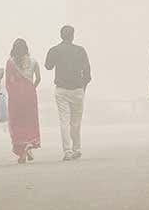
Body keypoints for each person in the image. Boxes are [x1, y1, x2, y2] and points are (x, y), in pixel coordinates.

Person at [44, 25, 91, 161]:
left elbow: (48, 66)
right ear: (73, 35)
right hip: (77, 89)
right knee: (76, 122)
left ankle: (67, 151)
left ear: (61, 35)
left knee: (64, 120)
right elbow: (87, 73)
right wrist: (83, 88)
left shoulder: (55, 50)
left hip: (62, 90)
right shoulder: (80, 51)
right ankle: (77, 148)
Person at [5, 38, 41, 164]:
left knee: (18, 123)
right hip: (30, 96)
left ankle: (23, 152)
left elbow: (9, 83)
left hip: (16, 98)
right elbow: (38, 79)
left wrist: (15, 94)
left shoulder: (10, 63)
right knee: (29, 122)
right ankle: (29, 147)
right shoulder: (34, 61)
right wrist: (31, 88)